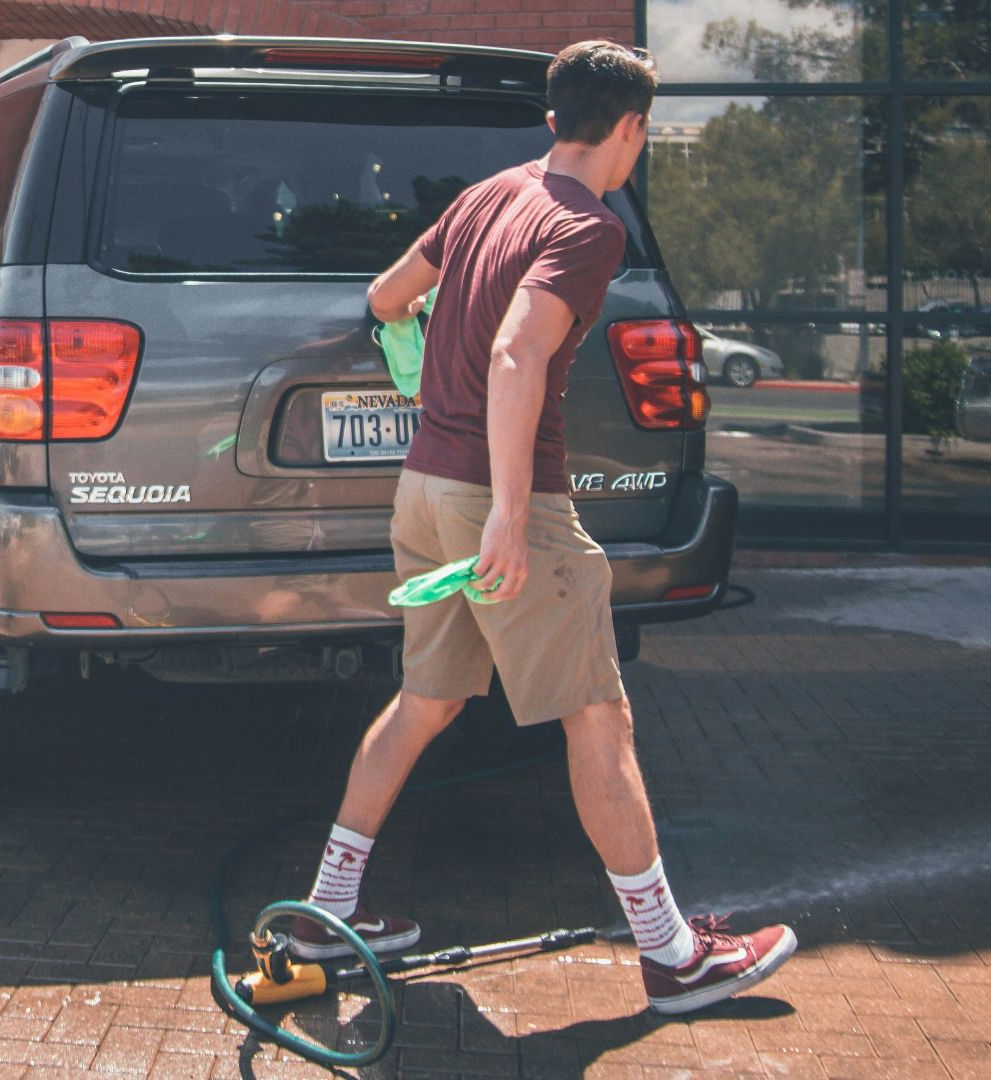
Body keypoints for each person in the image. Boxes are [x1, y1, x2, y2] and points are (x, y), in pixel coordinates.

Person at [289, 41, 797, 1016]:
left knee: (424, 701)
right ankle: (672, 956)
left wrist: (438, 335)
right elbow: (520, 353)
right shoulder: (588, 227)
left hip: (425, 488)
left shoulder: (488, 197)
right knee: (600, 718)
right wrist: (516, 519)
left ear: (554, 117)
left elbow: (387, 296)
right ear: (633, 129)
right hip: (495, 501)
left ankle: (325, 910)